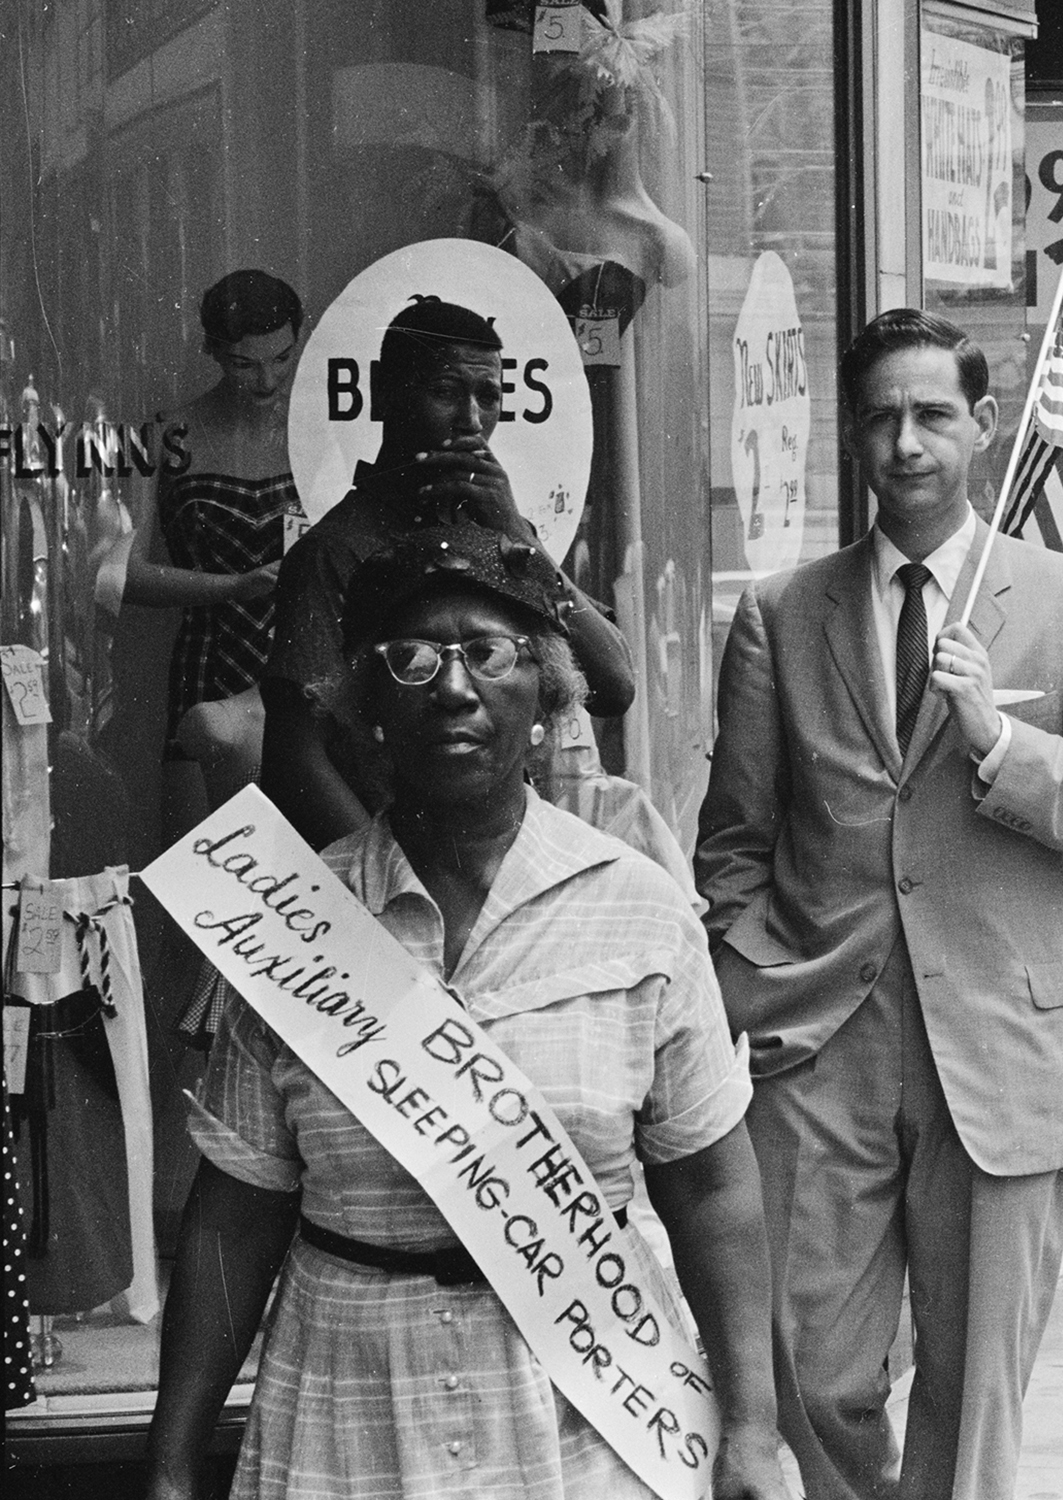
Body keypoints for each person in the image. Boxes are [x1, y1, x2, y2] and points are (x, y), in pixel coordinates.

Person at [143, 526, 785, 1499]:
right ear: (369, 711)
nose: (451, 685)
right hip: (348, 1420)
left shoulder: (637, 906)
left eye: (487, 652)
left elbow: (710, 1189)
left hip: (584, 1422)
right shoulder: (299, 924)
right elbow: (235, 1211)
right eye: (412, 657)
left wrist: (750, 1425)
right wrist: (174, 1457)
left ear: (544, 698)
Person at [695, 308, 1063, 1500]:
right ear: (850, 436)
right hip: (819, 1049)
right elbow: (735, 839)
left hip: (998, 1049)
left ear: (982, 425)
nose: (906, 444)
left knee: (971, 1394)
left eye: (933, 416)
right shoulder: (782, 611)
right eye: (880, 419)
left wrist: (999, 739)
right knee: (810, 1370)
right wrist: (756, 980)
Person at [261, 294, 634, 850]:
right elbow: (296, 760)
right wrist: (380, 878)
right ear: (386, 394)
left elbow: (614, 687)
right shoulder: (335, 550)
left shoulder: (502, 534)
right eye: (445, 392)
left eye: (489, 396)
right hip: (395, 856)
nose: (472, 421)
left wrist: (520, 537)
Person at [117, 270, 304, 806]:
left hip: (297, 666)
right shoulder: (162, 434)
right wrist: (232, 586)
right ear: (213, 351)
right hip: (206, 664)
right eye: (246, 364)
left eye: (283, 359)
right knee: (196, 865)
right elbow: (119, 574)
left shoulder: (315, 431)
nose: (268, 382)